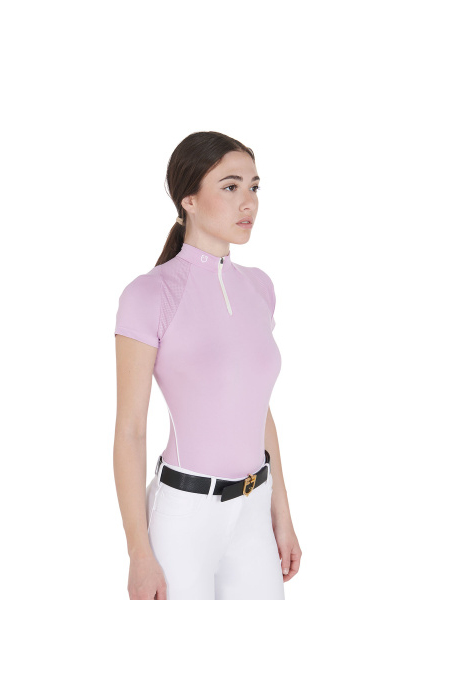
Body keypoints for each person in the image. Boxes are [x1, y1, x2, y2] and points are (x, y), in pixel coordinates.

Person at [113, 131, 302, 600]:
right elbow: (131, 430)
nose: (248, 202)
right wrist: (139, 553)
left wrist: (282, 515)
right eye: (230, 186)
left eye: (254, 187)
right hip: (184, 518)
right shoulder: (149, 294)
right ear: (189, 200)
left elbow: (258, 410)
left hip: (254, 511)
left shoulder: (260, 288)